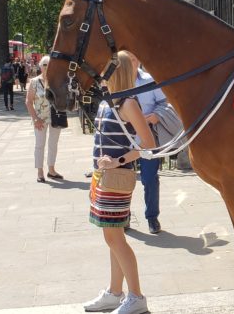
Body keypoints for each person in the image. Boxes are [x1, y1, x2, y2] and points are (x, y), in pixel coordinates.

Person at [82, 50, 154, 314]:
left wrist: (118, 161)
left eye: (107, 68)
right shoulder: (108, 102)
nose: (102, 72)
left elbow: (148, 144)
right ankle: (115, 293)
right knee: (112, 238)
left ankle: (136, 297)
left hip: (117, 178)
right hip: (103, 179)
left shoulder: (127, 103)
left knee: (115, 238)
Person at [127, 53, 174, 235]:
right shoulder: (115, 80)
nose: (131, 63)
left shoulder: (149, 80)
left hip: (147, 140)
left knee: (149, 179)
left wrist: (157, 115)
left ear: (139, 60)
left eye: (133, 59)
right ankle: (124, 216)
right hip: (125, 140)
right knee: (125, 179)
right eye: (127, 59)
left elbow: (165, 103)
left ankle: (152, 217)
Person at [26, 56, 67, 182]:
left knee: (53, 144)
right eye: (44, 64)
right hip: (40, 118)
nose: (47, 67)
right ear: (40, 66)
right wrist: (35, 119)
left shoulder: (57, 81)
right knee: (40, 144)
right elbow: (28, 102)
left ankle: (51, 169)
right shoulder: (34, 82)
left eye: (49, 65)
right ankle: (40, 171)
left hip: (55, 117)